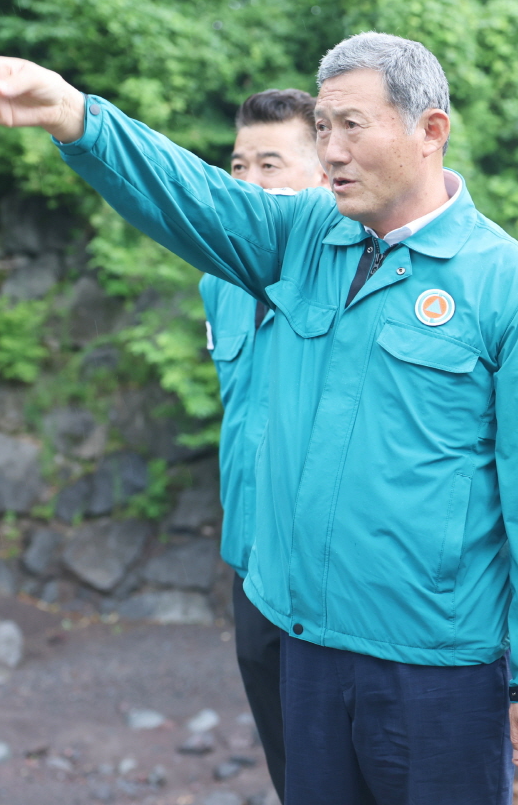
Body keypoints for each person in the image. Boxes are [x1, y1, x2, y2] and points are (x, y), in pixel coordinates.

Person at [0, 32, 518, 805]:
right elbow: (193, 195)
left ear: (430, 130)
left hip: (436, 667)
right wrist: (79, 119)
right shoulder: (304, 238)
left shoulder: (517, 290)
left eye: (353, 125)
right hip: (307, 646)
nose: (332, 150)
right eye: (322, 127)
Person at [202, 87, 328, 803]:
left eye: (270, 164)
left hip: (321, 574)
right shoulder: (216, 281)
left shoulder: (341, 280)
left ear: (322, 175)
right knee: (291, 774)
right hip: (247, 559)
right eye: (238, 164)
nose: (245, 183)